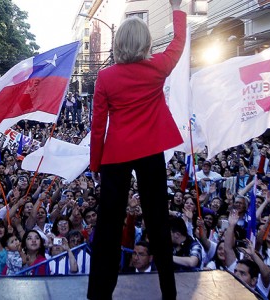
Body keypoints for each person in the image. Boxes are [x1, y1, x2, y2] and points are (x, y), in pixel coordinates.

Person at [87, 0, 185, 298]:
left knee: (108, 228)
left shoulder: (105, 77)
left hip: (115, 157)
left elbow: (97, 126)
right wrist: (177, 8)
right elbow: (178, 43)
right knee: (157, 222)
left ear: (118, 44)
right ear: (145, 43)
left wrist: (95, 166)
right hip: (151, 152)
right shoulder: (157, 68)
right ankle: (169, 292)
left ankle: (99, 294)